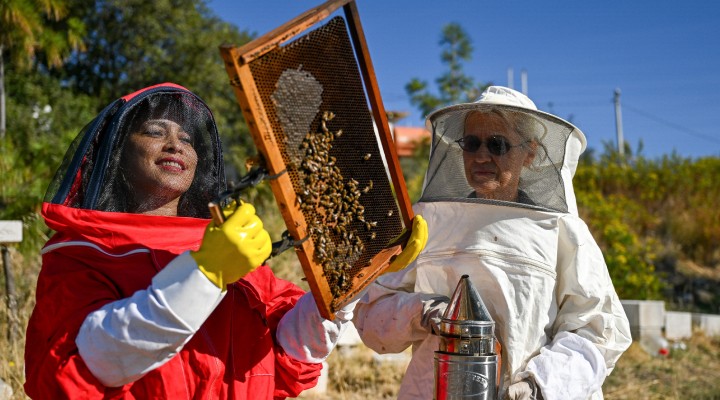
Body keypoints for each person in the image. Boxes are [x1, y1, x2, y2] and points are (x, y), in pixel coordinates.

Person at [24, 82, 426, 399]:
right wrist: (206, 273)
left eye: (187, 138)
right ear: (117, 156)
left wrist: (352, 274)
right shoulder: (82, 255)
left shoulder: (229, 249)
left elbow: (289, 354)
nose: (175, 144)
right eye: (153, 131)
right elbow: (94, 363)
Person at [353, 86, 632, 400]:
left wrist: (539, 387)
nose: (481, 156)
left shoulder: (561, 230)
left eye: (497, 144)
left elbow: (598, 330)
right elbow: (371, 315)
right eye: (471, 143)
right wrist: (423, 312)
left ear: (529, 152)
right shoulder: (427, 222)